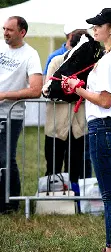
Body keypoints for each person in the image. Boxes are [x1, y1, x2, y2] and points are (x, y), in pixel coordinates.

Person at [64, 8, 111, 251]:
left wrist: (76, 87)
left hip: (102, 126)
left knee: (110, 195)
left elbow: (104, 100)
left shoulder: (110, 60)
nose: (94, 28)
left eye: (99, 25)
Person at [0, 16, 42, 213]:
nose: (5, 32)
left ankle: (10, 203)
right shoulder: (0, 47)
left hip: (11, 114)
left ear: (22, 32)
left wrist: (4, 96)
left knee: (5, 158)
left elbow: (36, 90)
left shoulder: (31, 55)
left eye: (10, 29)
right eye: (4, 28)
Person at [44, 31, 92, 184]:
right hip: (56, 125)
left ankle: (74, 201)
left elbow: (92, 91)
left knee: (75, 167)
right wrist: (76, 93)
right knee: (53, 166)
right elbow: (47, 90)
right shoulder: (56, 62)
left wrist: (73, 91)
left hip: (78, 126)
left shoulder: (89, 67)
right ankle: (52, 200)